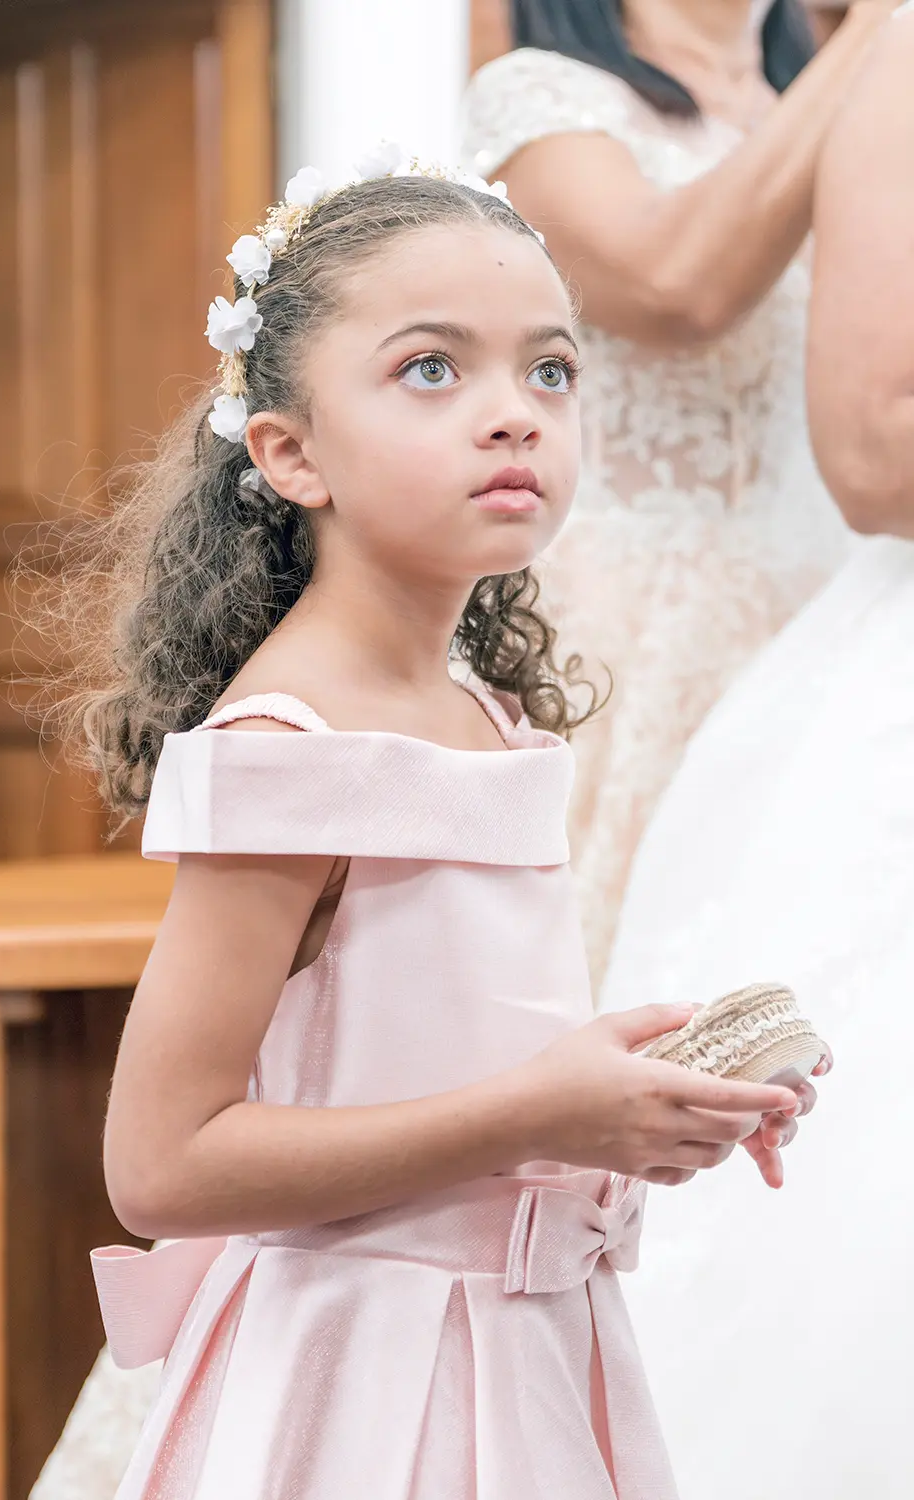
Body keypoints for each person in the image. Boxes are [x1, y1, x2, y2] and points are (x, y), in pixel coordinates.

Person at [27, 161, 806, 1500]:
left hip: (532, 1358)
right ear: (291, 452)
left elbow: (444, 1053)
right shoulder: (288, 749)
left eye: (550, 371)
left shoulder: (487, 715)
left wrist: (638, 1103)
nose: (514, 416)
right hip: (369, 1386)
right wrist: (539, 1108)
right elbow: (161, 1164)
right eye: (433, 372)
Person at [597, 9, 914, 1496]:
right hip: (672, 638)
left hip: (786, 607)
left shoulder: (808, 75)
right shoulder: (548, 102)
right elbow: (869, 440)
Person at [461, 0, 897, 991]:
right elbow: (674, 286)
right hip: (628, 651)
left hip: (822, 625)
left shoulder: (827, 93)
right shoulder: (542, 98)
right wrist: (879, 28)